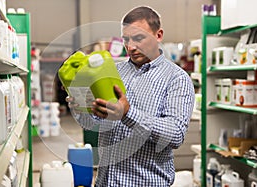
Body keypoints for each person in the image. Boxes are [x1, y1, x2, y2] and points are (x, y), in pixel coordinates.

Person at [66, 6, 195, 187]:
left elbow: (175, 135)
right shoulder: (114, 71)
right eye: (126, 39)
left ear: (158, 35)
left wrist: (128, 113)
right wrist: (81, 107)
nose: (131, 47)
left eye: (139, 38)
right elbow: (94, 121)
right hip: (104, 182)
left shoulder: (176, 79)